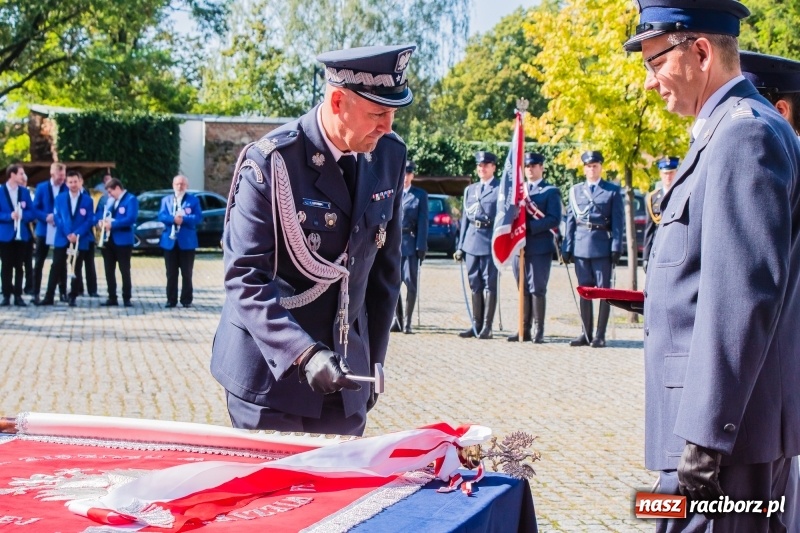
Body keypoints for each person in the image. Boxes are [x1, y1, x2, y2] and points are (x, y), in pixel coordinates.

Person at [624, 1, 800, 530]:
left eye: (656, 62)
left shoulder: (743, 134)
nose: (652, 83)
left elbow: (741, 300)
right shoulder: (730, 129)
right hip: (715, 430)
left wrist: (704, 438)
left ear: (700, 51)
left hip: (720, 441)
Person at [210, 44, 415, 436]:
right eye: (378, 113)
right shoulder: (272, 161)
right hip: (269, 378)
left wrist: (372, 361)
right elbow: (245, 278)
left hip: (344, 377)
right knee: (276, 496)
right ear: (338, 101)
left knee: (344, 493)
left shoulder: (389, 155)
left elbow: (384, 274)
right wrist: (303, 355)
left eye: (393, 113)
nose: (388, 126)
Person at [562, 150, 623, 348]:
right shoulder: (576, 191)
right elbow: (570, 220)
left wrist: (616, 247)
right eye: (588, 166)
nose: (592, 169)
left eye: (595, 165)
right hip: (580, 247)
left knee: (604, 291)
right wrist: (567, 246)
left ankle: (600, 334)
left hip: (601, 247)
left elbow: (618, 223)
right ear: (584, 168)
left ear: (600, 167)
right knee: (585, 291)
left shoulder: (611, 191)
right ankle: (585, 333)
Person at [508, 152, 562, 343]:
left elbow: (554, 219)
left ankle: (539, 330)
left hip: (539, 246)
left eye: (534, 166)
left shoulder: (550, 191)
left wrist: (529, 227)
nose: (530, 169)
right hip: (519, 246)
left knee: (537, 288)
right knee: (522, 288)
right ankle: (523, 329)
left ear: (541, 168)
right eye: (528, 167)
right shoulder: (518, 190)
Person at [454, 151, 500, 339]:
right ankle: (476, 324)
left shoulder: (499, 189)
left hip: (490, 240)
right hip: (472, 240)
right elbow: (465, 219)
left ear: (493, 167)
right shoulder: (470, 190)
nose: (482, 168)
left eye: (486, 165)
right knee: (475, 284)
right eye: (479, 166)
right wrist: (460, 245)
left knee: (490, 284)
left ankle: (487, 327)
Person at [37, 170, 95, 307]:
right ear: (66, 183)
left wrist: (77, 234)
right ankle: (49, 296)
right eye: (70, 182)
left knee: (76, 268)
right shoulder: (60, 198)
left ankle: (73, 296)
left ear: (81, 182)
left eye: (76, 181)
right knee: (56, 266)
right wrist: (68, 233)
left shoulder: (88, 200)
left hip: (80, 239)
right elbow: (57, 217)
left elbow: (89, 220)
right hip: (62, 237)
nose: (73, 184)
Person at [390, 161, 428, 334]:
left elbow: (423, 223)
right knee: (393, 285)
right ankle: (397, 320)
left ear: (412, 175)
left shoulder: (420, 195)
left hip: (411, 244)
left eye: (408, 174)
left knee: (411, 284)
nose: (405, 177)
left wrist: (421, 246)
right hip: (394, 245)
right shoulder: (393, 192)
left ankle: (408, 322)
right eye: (403, 173)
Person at [158, 175, 203, 308]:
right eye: (177, 184)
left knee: (187, 273)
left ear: (186, 186)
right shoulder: (166, 200)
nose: (180, 186)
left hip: (187, 242)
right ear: (173, 185)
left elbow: (198, 217)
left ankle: (186, 300)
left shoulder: (193, 200)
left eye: (182, 184)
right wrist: (173, 219)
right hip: (169, 242)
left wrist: (184, 220)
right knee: (171, 273)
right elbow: (161, 215)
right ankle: (171, 300)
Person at [97, 178, 138, 307]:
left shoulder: (131, 199)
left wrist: (112, 224)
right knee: (109, 270)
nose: (109, 195)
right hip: (108, 240)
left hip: (123, 241)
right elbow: (103, 214)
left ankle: (126, 297)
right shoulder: (110, 201)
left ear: (118, 188)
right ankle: (112, 297)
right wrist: (101, 222)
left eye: (110, 192)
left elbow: (130, 219)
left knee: (124, 270)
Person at [31, 162, 67, 304]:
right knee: (39, 261)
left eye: (63, 175)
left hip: (61, 230)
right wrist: (46, 217)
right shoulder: (41, 187)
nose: (62, 178)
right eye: (60, 175)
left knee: (60, 262)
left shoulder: (66, 188)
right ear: (52, 174)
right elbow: (35, 208)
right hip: (44, 229)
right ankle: (35, 292)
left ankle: (63, 292)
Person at [0, 164, 35, 306]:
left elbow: (32, 212)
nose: (23, 176)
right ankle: (6, 295)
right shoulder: (0, 191)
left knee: (19, 266)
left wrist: (22, 215)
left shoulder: (24, 192)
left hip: (22, 234)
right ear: (12, 175)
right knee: (6, 266)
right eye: (21, 173)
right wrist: (10, 216)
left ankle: (18, 295)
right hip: (5, 235)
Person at [643, 156, 679, 272]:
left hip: (676, 245)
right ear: (660, 174)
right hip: (657, 246)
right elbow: (649, 229)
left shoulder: (681, 194)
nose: (668, 176)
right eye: (665, 173)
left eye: (671, 173)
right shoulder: (653, 198)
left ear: (676, 172)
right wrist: (645, 256)